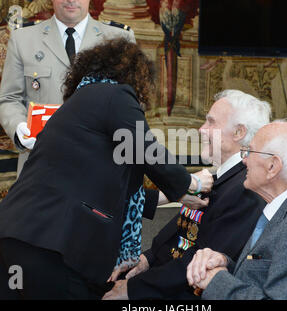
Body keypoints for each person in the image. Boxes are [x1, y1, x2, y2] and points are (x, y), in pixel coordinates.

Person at [0, 38, 213, 300]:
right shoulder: (114, 94)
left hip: (13, 238)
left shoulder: (80, 105)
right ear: (134, 76)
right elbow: (147, 149)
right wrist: (191, 184)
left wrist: (177, 195)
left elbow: (112, 189)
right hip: (52, 247)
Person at [102, 90, 270, 300]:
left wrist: (133, 289)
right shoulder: (221, 178)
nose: (201, 130)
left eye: (211, 122)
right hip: (162, 280)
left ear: (238, 133)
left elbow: (198, 263)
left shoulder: (246, 190)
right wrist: (147, 259)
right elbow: (183, 227)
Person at [186, 121, 287, 300]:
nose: (244, 159)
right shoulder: (278, 211)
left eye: (249, 152)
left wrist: (217, 281)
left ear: (272, 167)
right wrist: (224, 262)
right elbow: (261, 276)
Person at [0, 0, 136, 175]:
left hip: (100, 166)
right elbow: (9, 99)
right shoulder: (23, 39)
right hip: (41, 165)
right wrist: (19, 127)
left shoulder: (118, 39)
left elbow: (134, 102)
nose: (71, 0)